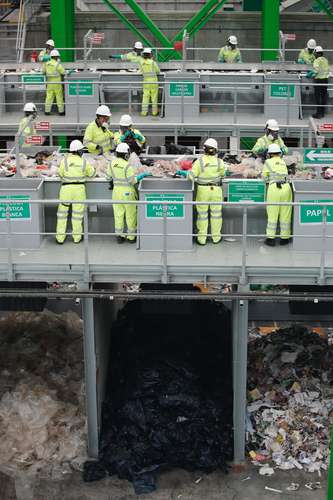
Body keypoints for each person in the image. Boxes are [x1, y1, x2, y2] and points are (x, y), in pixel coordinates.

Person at [177, 138, 225, 245]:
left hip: (203, 190)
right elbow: (223, 174)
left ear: (204, 149)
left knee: (202, 215)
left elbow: (191, 176)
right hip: (216, 190)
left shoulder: (199, 162)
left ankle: (202, 239)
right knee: (216, 214)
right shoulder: (219, 162)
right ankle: (216, 238)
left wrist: (183, 173)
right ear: (216, 150)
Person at [107, 142, 151, 244]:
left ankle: (119, 235)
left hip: (116, 192)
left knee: (118, 214)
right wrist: (142, 175)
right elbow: (133, 181)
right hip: (127, 192)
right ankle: (131, 237)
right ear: (126, 154)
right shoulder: (127, 166)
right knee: (130, 214)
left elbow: (108, 177)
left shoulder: (111, 164)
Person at [56, 140, 96, 244]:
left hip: (66, 189)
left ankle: (60, 238)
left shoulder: (64, 161)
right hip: (79, 190)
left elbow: (60, 174)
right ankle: (77, 238)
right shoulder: (84, 162)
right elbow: (92, 174)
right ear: (79, 151)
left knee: (62, 214)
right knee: (77, 215)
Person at [262, 143, 292, 247]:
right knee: (285, 213)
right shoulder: (283, 162)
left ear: (269, 154)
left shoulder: (268, 162)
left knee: (273, 213)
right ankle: (285, 238)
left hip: (274, 188)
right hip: (286, 188)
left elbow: (264, 177)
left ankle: (270, 239)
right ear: (279, 153)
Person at [307, 45, 329, 119]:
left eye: (315, 53)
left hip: (318, 81)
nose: (314, 55)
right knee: (323, 97)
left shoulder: (316, 60)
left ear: (317, 53)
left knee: (318, 97)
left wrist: (310, 73)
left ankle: (318, 114)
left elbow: (316, 70)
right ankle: (322, 113)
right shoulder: (325, 60)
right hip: (325, 80)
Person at [43, 49, 66, 115]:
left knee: (49, 97)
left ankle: (47, 111)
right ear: (56, 57)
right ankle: (61, 111)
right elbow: (63, 72)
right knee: (59, 97)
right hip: (57, 84)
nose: (58, 57)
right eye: (58, 56)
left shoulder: (46, 64)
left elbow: (43, 72)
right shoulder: (57, 64)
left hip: (49, 83)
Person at [138, 48, 160, 117]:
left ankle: (144, 113)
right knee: (154, 97)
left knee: (145, 97)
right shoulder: (153, 63)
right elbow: (158, 71)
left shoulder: (141, 63)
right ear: (150, 54)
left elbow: (141, 71)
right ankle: (154, 113)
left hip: (146, 82)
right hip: (153, 82)